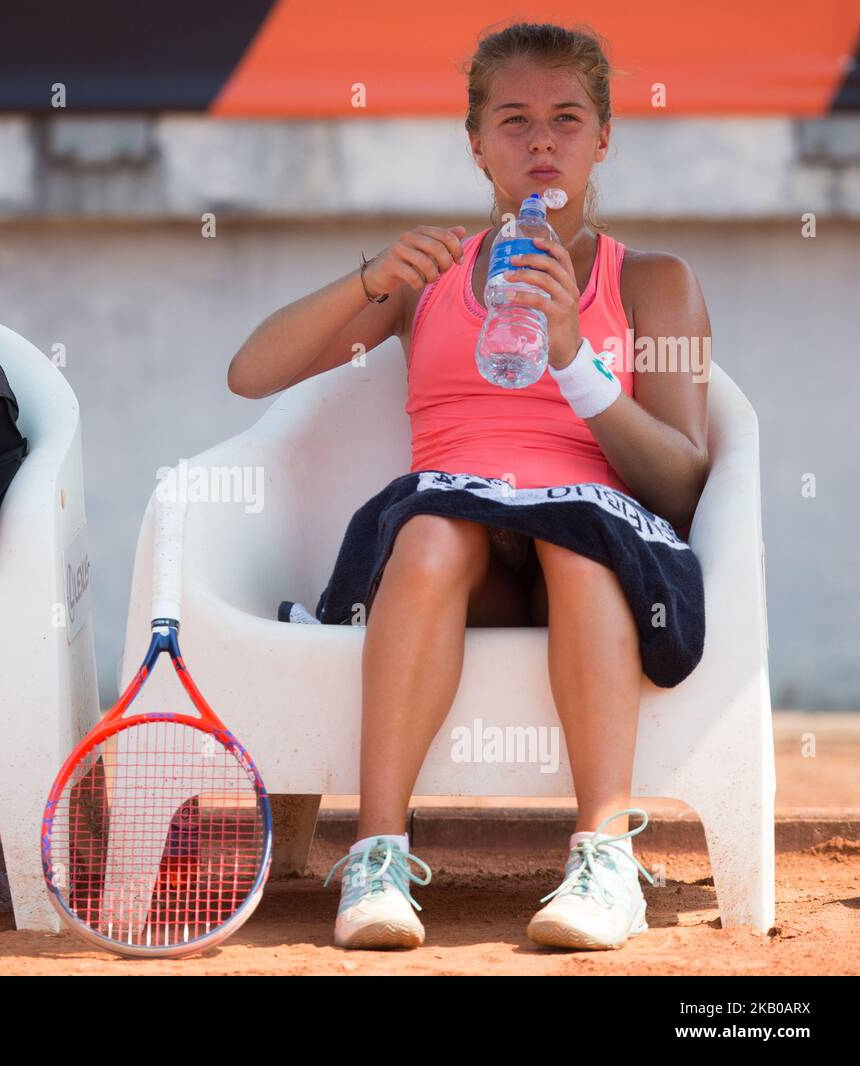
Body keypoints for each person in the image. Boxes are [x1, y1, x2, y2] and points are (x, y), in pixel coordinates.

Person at [226, 21, 711, 951]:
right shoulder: (433, 277)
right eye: (514, 120)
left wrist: (574, 359)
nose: (540, 142)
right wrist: (368, 279)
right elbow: (251, 373)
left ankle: (604, 857)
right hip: (457, 537)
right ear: (476, 142)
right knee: (433, 530)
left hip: (597, 549)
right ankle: (375, 856)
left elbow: (683, 481)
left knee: (577, 541)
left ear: (603, 136)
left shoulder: (651, 280)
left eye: (566, 119)